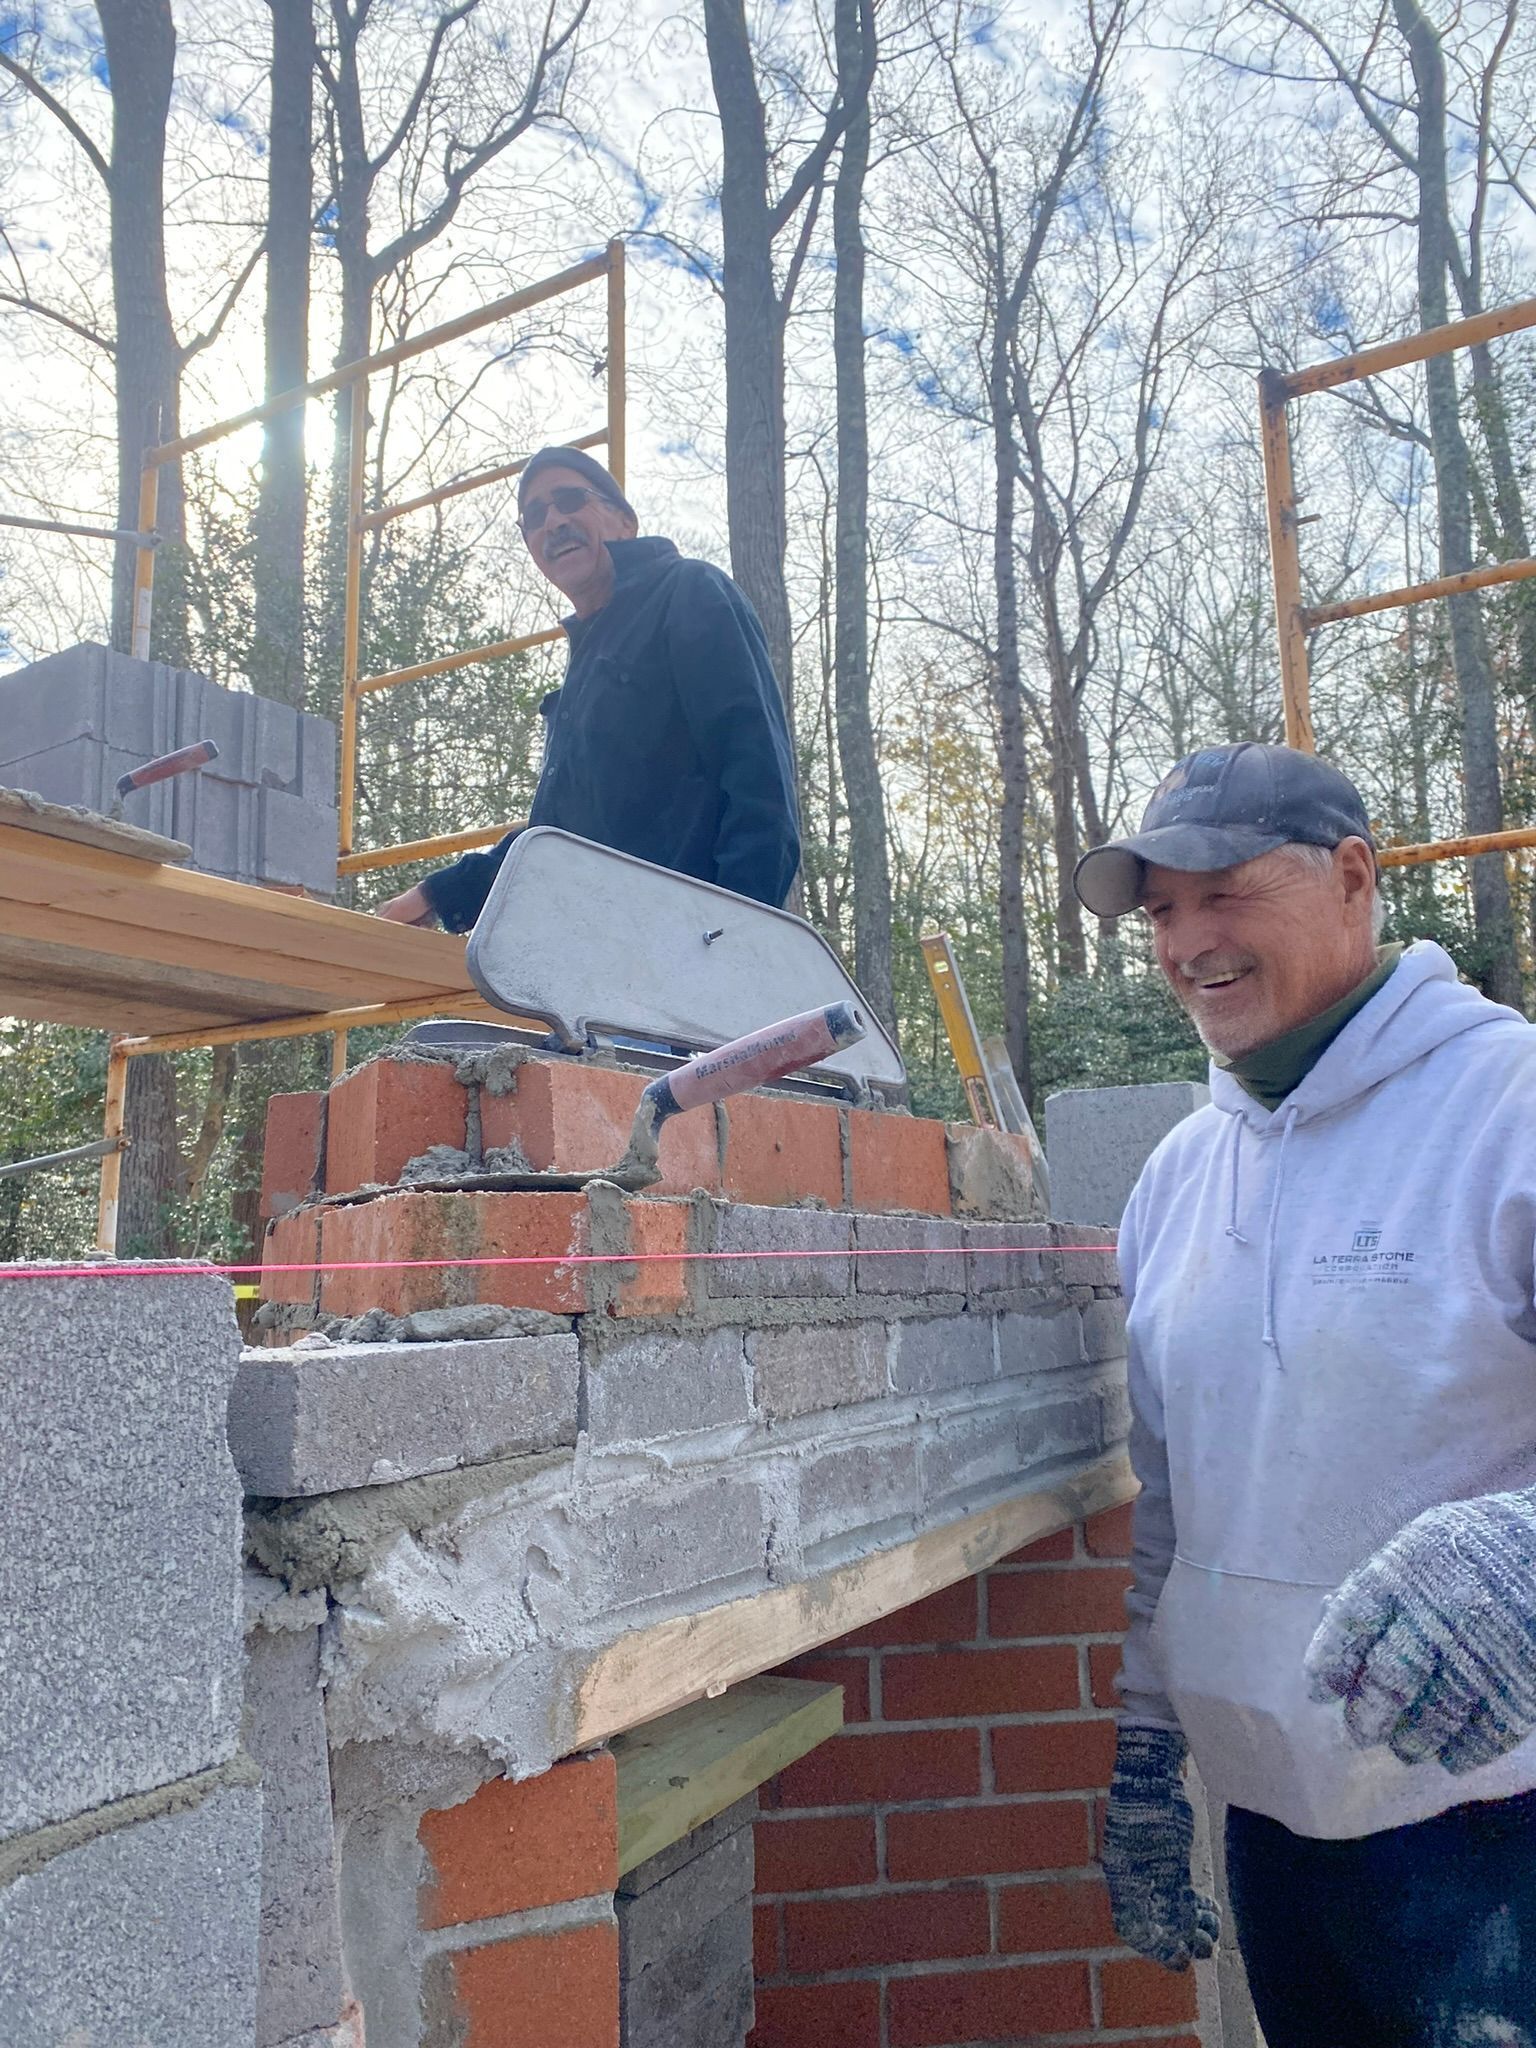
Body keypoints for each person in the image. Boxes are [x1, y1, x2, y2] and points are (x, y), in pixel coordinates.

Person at [1072, 741, 1536, 2047]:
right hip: (1273, 1831)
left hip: (1500, 1831)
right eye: (1162, 910)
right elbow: (1169, 1520)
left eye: (1224, 891)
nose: (1189, 940)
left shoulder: (1507, 1108)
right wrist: (1151, 1756)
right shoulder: (1173, 1182)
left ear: (1351, 878)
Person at [377, 446, 800, 929]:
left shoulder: (688, 591)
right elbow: (557, 839)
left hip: (688, 943)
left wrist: (741, 936)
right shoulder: (586, 663)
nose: (552, 521)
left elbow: (756, 773)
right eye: (534, 516)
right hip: (599, 953)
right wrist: (438, 893)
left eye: (570, 499)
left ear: (624, 521)